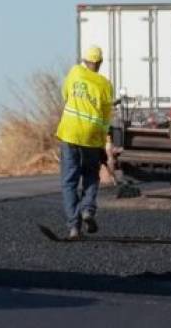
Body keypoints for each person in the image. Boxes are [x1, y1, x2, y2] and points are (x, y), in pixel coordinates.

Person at [55, 44, 114, 240]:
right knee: (90, 176)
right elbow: (106, 119)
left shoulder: (75, 73)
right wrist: (103, 145)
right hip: (91, 138)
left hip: (70, 134)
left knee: (69, 181)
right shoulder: (105, 85)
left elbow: (65, 95)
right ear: (100, 63)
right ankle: (88, 209)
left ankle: (74, 227)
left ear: (85, 61)